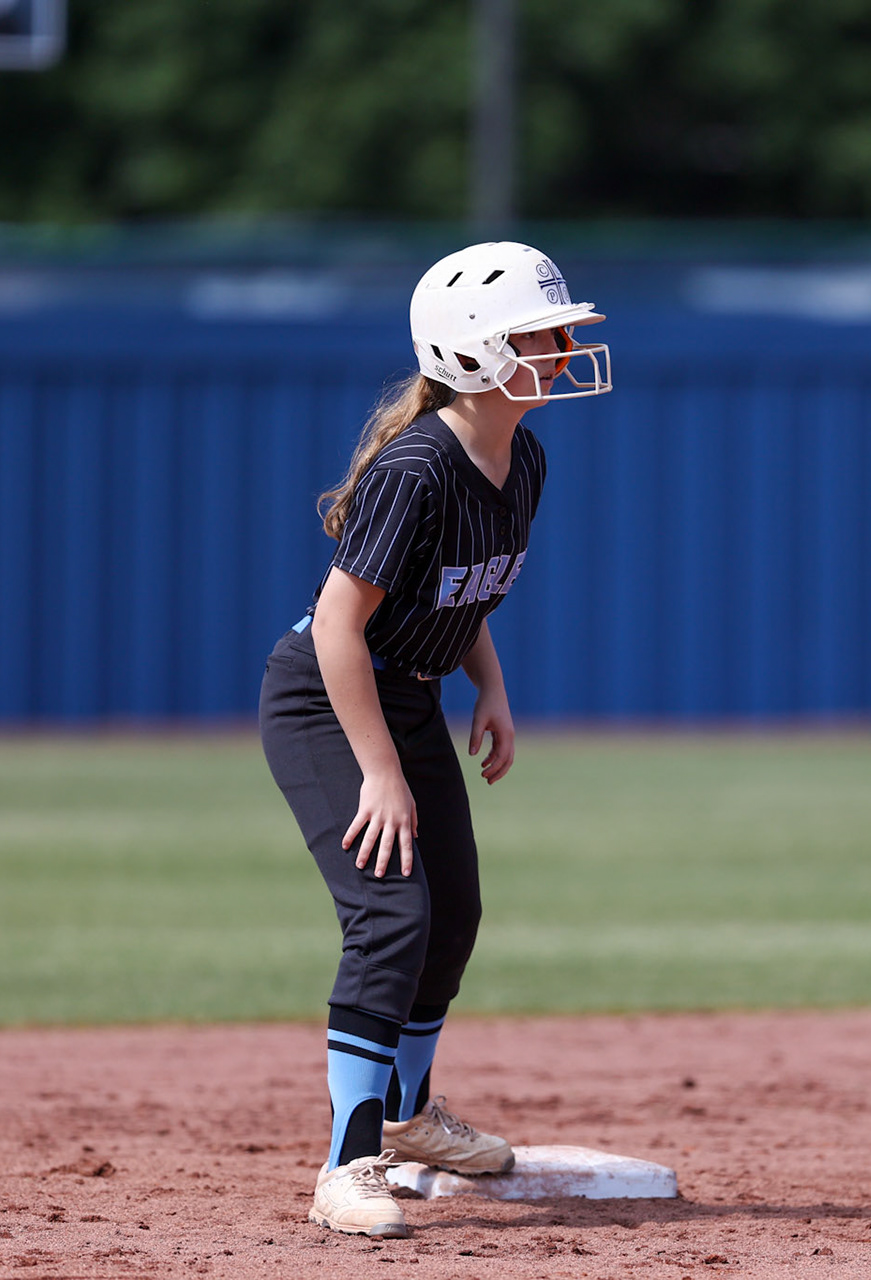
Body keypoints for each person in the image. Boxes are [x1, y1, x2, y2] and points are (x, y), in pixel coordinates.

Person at [258, 241, 610, 1239]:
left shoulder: (522, 456)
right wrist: (378, 770)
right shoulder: (418, 467)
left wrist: (490, 686)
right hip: (329, 699)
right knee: (390, 916)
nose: (564, 345)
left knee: (452, 909)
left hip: (408, 695)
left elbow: (465, 592)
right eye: (541, 332)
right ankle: (346, 1164)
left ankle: (408, 1118)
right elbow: (338, 628)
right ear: (472, 351)